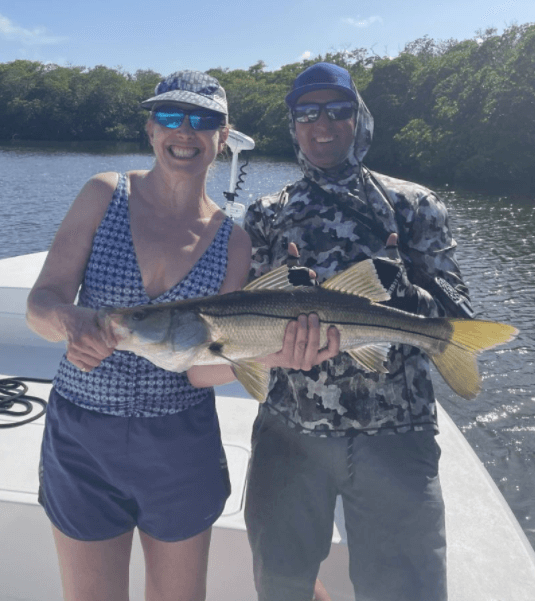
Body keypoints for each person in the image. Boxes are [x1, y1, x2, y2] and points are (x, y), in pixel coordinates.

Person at [26, 69, 339, 601]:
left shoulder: (232, 240)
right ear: (151, 128)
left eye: (204, 120)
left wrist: (278, 356)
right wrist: (69, 322)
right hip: (81, 435)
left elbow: (201, 369)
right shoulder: (104, 194)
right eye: (171, 116)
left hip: (178, 444)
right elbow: (41, 304)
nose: (185, 131)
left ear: (223, 137)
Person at [243, 62, 473, 601]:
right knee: (279, 584)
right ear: (294, 124)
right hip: (289, 430)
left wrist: (406, 294)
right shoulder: (265, 214)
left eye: (338, 109)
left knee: (405, 592)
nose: (323, 124)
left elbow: (459, 311)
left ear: (359, 117)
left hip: (397, 431)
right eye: (308, 112)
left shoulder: (413, 205)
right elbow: (246, 326)